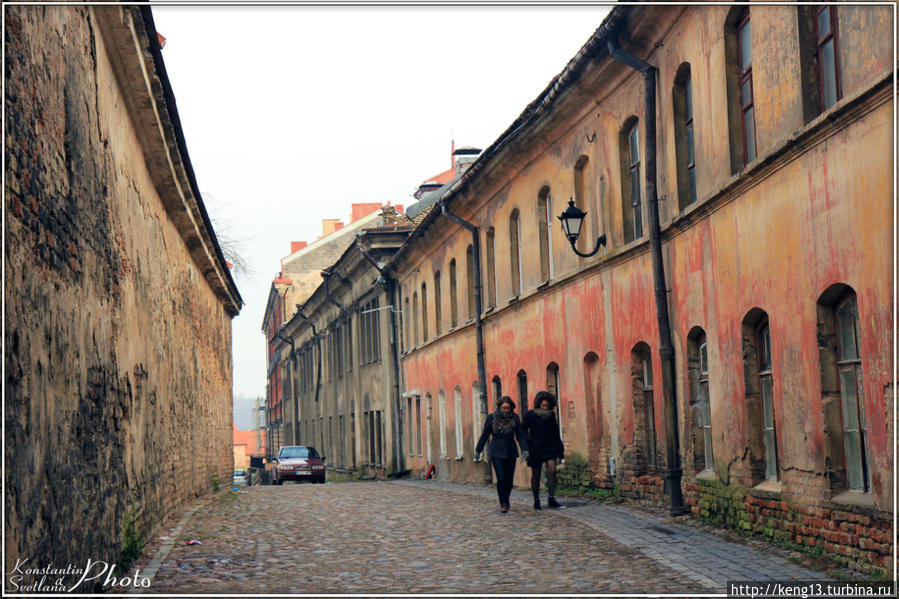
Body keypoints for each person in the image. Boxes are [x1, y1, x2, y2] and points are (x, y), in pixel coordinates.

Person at [474, 396, 529, 513]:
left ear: (511, 408)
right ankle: (503, 502)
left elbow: (520, 435)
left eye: (508, 408)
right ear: (499, 407)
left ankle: (506, 499)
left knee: (509, 479)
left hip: (510, 451)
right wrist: (478, 450)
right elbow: (485, 435)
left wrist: (524, 449)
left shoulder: (515, 418)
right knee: (501, 477)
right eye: (503, 408)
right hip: (496, 451)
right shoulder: (491, 418)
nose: (505, 410)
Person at [523, 390, 565, 510]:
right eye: (543, 405)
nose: (545, 408)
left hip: (549, 447)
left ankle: (551, 498)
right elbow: (523, 430)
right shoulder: (530, 415)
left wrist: (560, 451)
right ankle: (536, 500)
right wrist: (527, 444)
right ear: (539, 404)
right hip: (535, 448)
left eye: (547, 406)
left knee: (552, 470)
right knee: (536, 474)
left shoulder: (551, 415)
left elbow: (556, 433)